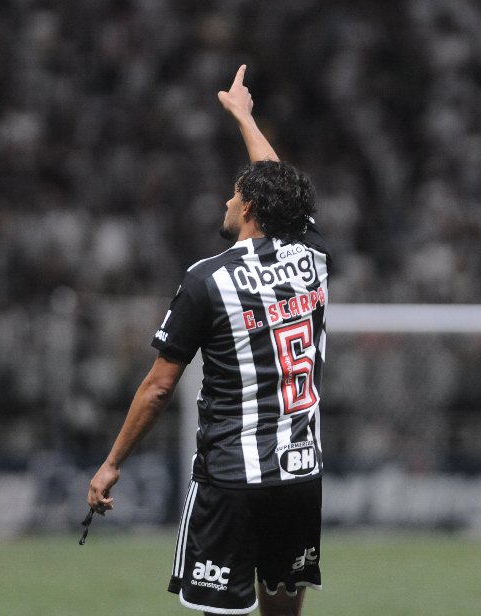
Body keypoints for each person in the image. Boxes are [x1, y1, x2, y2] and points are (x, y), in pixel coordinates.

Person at [87, 64, 330, 616]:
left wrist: (112, 462)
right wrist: (244, 116)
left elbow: (157, 388)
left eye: (231, 195)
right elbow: (282, 188)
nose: (224, 201)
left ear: (247, 209)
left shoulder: (207, 280)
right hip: (299, 475)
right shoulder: (313, 260)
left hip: (231, 480)